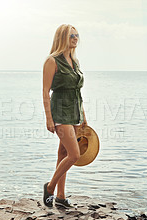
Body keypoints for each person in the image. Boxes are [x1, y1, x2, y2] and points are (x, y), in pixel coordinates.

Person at [42, 24, 87, 208]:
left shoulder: (75, 62)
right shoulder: (52, 61)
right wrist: (48, 118)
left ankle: (60, 197)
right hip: (60, 111)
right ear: (62, 38)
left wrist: (83, 116)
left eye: (77, 35)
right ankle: (50, 188)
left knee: (63, 153)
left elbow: (78, 91)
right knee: (74, 154)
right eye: (71, 36)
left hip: (75, 111)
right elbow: (45, 91)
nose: (75, 38)